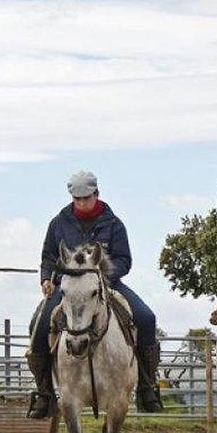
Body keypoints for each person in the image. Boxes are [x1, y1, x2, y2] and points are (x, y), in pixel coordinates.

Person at [27, 170, 164, 417]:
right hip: (68, 288)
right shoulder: (58, 223)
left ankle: (147, 386)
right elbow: (48, 256)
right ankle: (44, 393)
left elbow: (125, 259)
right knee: (38, 324)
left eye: (86, 198)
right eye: (77, 199)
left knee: (146, 318)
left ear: (96, 194)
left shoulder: (114, 224)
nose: (81, 203)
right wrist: (47, 278)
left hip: (107, 284)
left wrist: (102, 276)